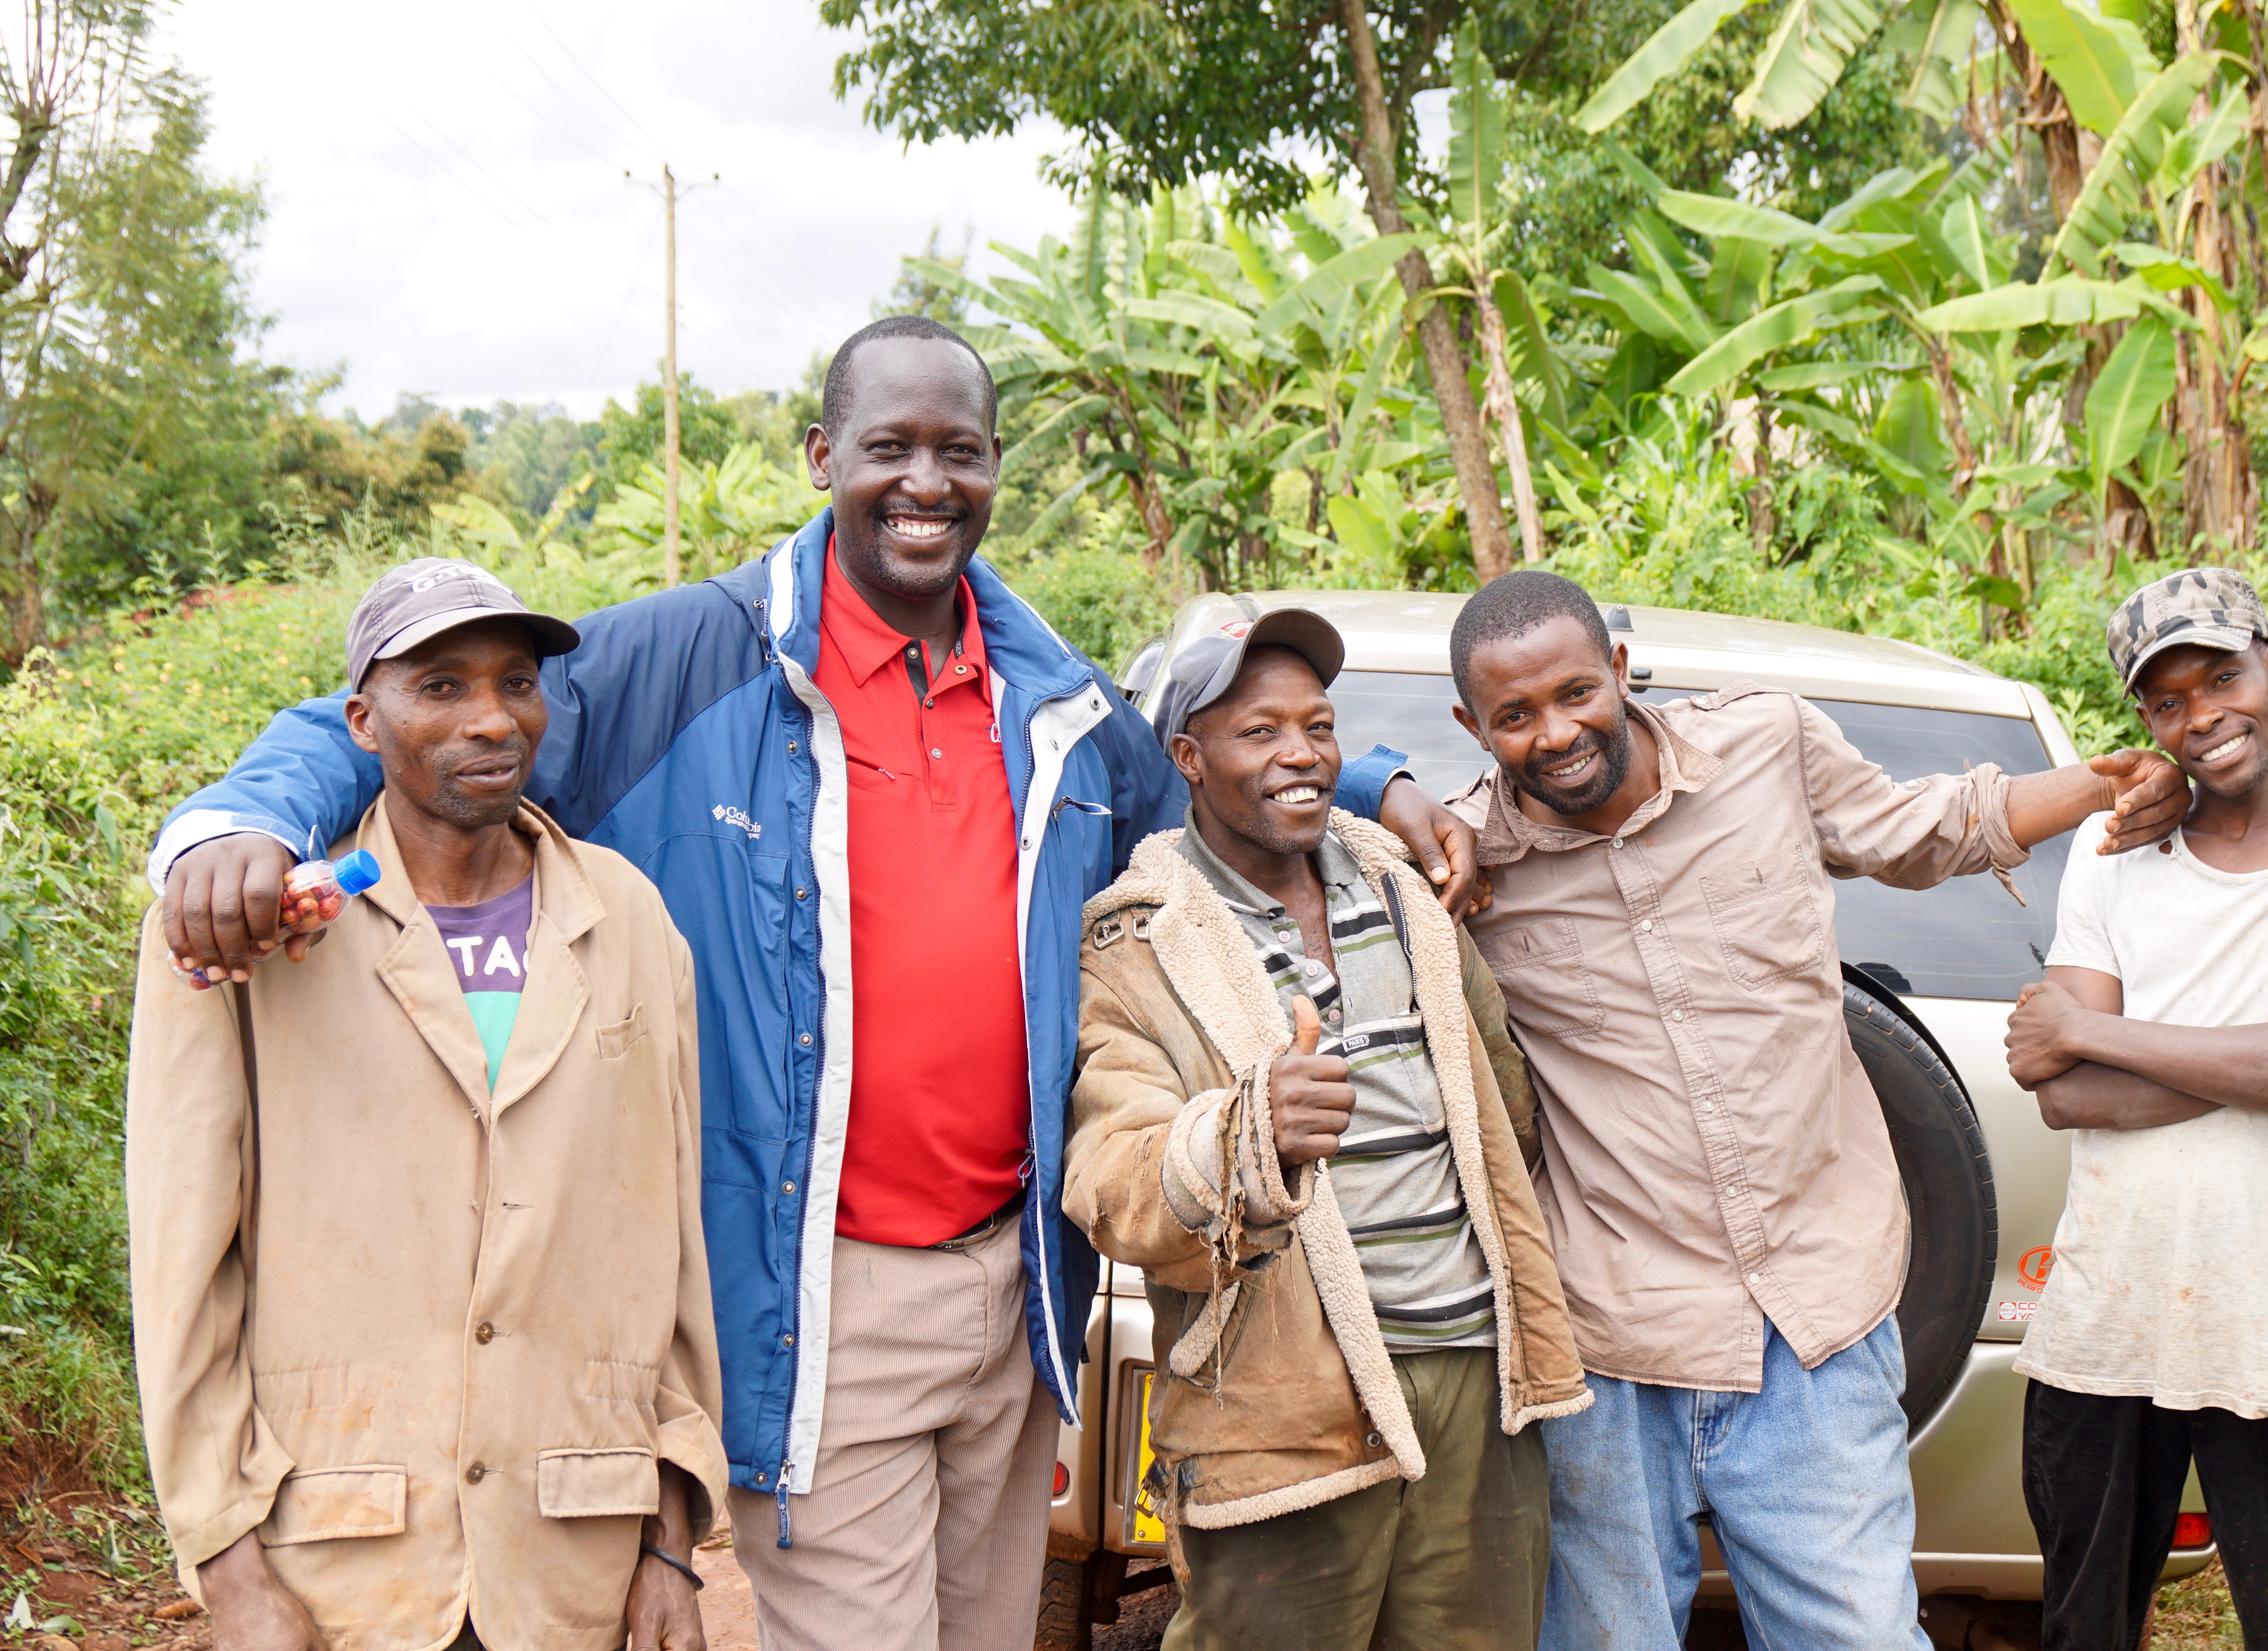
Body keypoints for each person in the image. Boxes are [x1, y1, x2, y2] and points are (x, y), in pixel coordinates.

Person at [142, 316, 1480, 1651]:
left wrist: (1372, 783)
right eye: (887, 446)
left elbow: (1201, 776)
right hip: (818, 1286)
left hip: (1013, 1291)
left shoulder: (1049, 697)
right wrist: (237, 829)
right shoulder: (687, 659)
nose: (924, 482)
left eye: (958, 450)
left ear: (996, 468)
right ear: (820, 453)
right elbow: (394, 709)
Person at [1433, 571, 2197, 1651]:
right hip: (1609, 1350)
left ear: (1616, 670)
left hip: (1814, 1325)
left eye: (1573, 693)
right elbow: (1307, 818)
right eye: (1513, 716)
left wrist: (2099, 785)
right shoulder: (1466, 863)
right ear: (1472, 725)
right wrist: (1388, 785)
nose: (1553, 733)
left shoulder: (1765, 745)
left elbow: (1925, 826)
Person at [126, 560, 725, 1651]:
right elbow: (183, 1272)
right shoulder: (251, 934)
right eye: (440, 687)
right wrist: (229, 1568)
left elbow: (666, 1251)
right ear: (362, 719)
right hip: (343, 1570)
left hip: (570, 1563)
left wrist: (669, 1546)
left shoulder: (629, 917)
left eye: (516, 682)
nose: (492, 719)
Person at [1063, 611, 1587, 1651]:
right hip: (1283, 1408)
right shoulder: (1136, 945)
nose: (1300, 752)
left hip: (1478, 1389)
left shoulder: (1404, 890)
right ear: (1188, 758)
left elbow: (1503, 1099)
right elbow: (1111, 1176)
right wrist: (1244, 1134)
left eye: (1317, 725)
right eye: (1259, 731)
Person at [2003, 568, 2268, 1651]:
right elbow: (2063, 1098)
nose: (2200, 716)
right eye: (2163, 701)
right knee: (2081, 1628)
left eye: (2221, 676)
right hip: (2104, 1317)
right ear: (2143, 719)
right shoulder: (2112, 864)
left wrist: (2089, 1027)